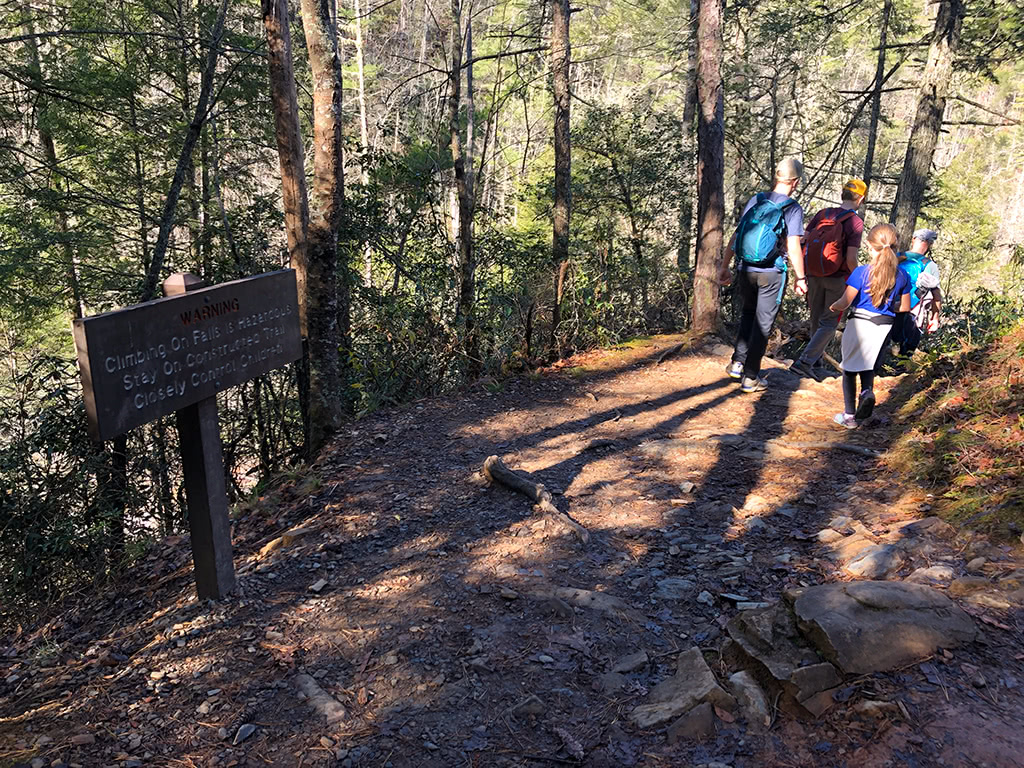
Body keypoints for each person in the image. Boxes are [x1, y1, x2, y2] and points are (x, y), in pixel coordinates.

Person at [718, 157, 808, 393]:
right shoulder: (791, 207)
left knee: (748, 314)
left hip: (745, 269)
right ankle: (751, 377)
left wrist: (725, 265)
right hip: (771, 273)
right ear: (795, 182)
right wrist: (801, 277)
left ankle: (737, 363)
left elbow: (737, 235)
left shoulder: (757, 200)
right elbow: (794, 245)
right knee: (763, 324)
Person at [828, 223, 911, 428]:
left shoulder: (861, 272)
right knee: (868, 364)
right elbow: (905, 307)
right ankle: (867, 393)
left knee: (849, 369)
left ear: (868, 246)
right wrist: (888, 304)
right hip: (884, 326)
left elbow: (845, 302)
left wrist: (833, 307)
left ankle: (849, 417)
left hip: (860, 323)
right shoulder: (902, 276)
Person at [790, 179, 866, 380]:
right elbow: (850, 258)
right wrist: (860, 278)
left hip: (813, 274)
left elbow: (803, 240)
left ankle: (815, 363)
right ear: (861, 198)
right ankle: (805, 362)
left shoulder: (822, 214)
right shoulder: (855, 222)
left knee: (816, 319)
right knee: (829, 323)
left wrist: (800, 274)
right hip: (837, 278)